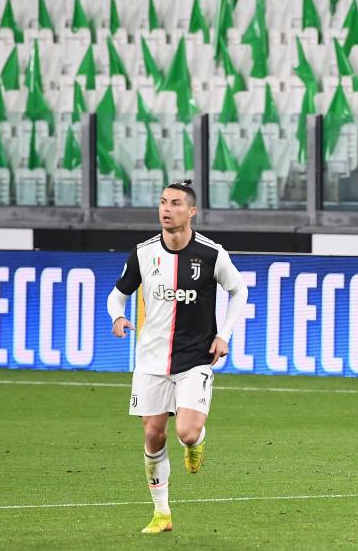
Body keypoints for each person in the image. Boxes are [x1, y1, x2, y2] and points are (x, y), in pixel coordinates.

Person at [106, 180, 249, 534]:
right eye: (162, 203)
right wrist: (118, 317)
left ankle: (195, 444)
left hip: (194, 359)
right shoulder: (143, 253)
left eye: (174, 203)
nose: (166, 209)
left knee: (186, 432)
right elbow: (117, 295)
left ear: (191, 211)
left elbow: (239, 290)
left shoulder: (212, 254)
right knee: (153, 435)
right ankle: (162, 514)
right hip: (151, 361)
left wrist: (224, 335)